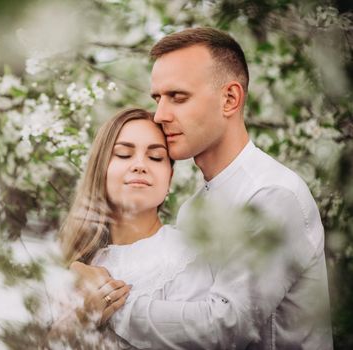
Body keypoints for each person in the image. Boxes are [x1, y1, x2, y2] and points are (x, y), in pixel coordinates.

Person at [72, 27, 333, 349]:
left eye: (178, 97)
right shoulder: (194, 208)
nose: (161, 115)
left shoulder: (271, 194)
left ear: (230, 99)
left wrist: (107, 304)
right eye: (158, 98)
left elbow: (227, 326)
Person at [58, 108, 213, 346]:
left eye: (155, 157)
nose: (140, 165)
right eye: (123, 154)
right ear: (101, 170)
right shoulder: (71, 258)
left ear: (169, 179)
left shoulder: (187, 257)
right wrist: (75, 323)